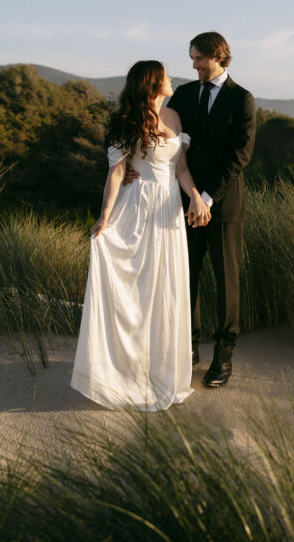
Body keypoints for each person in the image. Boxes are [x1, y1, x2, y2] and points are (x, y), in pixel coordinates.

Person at [71, 60, 206, 411]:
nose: (171, 78)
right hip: (136, 206)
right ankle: (123, 370)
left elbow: (180, 168)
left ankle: (158, 369)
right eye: (165, 76)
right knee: (137, 289)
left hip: (170, 210)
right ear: (152, 83)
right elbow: (117, 173)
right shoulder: (127, 122)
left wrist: (194, 196)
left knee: (165, 288)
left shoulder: (174, 117)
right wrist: (104, 216)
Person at [167, 31, 256, 388]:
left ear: (218, 56)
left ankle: (223, 358)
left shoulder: (242, 99)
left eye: (198, 58)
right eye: (191, 58)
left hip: (222, 207)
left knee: (225, 283)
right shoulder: (184, 94)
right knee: (186, 279)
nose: (193, 65)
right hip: (185, 203)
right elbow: (170, 143)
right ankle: (188, 349)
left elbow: (240, 156)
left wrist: (207, 197)